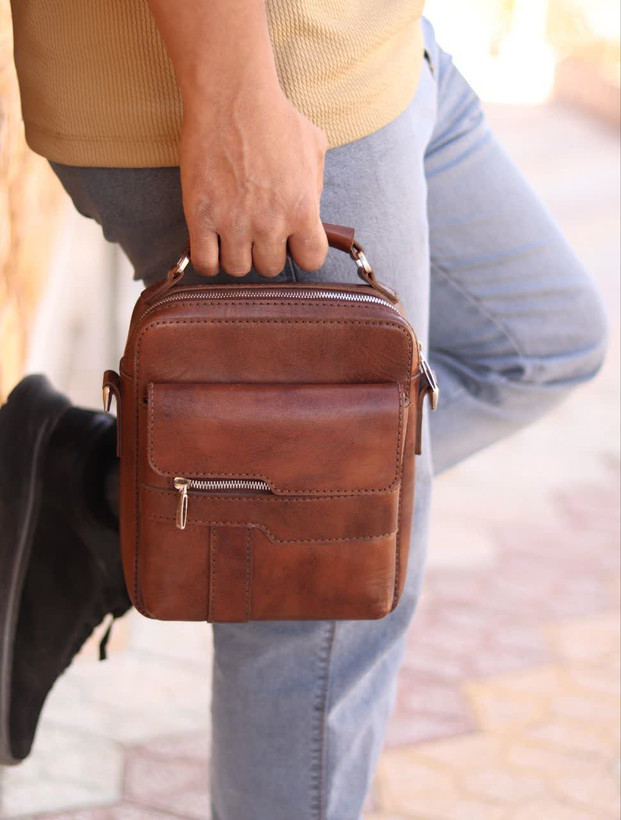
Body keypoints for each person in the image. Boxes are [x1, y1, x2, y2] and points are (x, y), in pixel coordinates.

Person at [1, 1, 608, 817]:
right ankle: (185, 506)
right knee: (317, 587)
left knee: (541, 338)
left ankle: (116, 500)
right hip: (267, 84)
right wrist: (233, 101)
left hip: (370, 50)